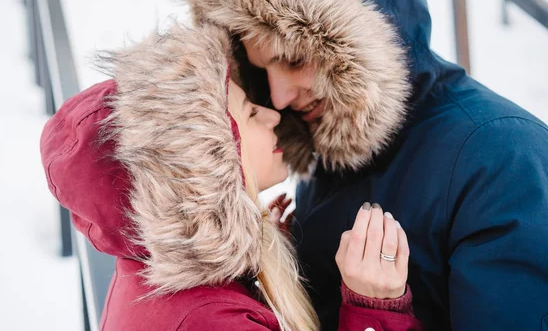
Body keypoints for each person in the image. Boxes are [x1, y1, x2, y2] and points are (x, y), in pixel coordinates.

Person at [184, 0, 548, 330]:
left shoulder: (502, 157)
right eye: (260, 71)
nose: (279, 96)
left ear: (359, 38)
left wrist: (381, 318)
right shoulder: (332, 141)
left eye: (291, 58)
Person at [40, 24, 424, 330]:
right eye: (251, 114)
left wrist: (252, 250)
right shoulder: (211, 321)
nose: (273, 114)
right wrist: (374, 312)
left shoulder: (155, 278)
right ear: (202, 165)